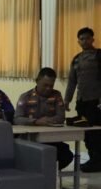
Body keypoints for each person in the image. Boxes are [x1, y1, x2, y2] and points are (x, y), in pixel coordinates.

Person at [16, 68, 74, 170]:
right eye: (45, 85)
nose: (48, 88)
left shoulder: (56, 95)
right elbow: (17, 118)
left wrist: (48, 120)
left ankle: (49, 173)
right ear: (37, 81)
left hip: (51, 139)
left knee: (67, 155)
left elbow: (61, 117)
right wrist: (36, 122)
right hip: (31, 140)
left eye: (51, 86)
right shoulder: (25, 96)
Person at [64, 27, 101, 172]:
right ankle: (94, 160)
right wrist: (67, 100)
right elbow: (72, 81)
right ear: (78, 41)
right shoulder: (76, 59)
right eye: (82, 39)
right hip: (82, 102)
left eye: (87, 38)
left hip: (96, 102)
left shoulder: (99, 55)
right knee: (86, 132)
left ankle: (97, 161)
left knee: (96, 133)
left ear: (93, 39)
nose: (85, 41)